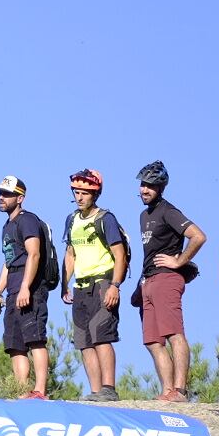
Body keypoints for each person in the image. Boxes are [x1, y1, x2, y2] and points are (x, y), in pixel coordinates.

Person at [135, 160, 206, 402]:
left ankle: (180, 391)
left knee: (174, 333)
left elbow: (198, 236)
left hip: (167, 278)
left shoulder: (168, 211)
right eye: (143, 184)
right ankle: (167, 391)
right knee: (152, 341)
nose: (145, 189)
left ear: (161, 188)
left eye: (151, 186)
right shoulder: (144, 215)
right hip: (149, 280)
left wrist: (179, 261)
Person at [59, 169, 128, 402]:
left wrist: (115, 285)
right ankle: (96, 391)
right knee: (84, 341)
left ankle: (109, 388)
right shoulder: (72, 220)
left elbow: (120, 254)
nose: (79, 197)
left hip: (102, 283)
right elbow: (70, 254)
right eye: (76, 192)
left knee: (101, 336)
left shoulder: (105, 219)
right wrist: (64, 285)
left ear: (95, 194)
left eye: (85, 193)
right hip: (80, 286)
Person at [0, 176, 50, 400]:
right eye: (0, 193)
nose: (1, 198)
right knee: (15, 344)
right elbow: (8, 261)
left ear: (20, 198)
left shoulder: (28, 220)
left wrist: (26, 287)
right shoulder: (7, 226)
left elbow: (34, 254)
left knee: (35, 338)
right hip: (12, 289)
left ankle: (40, 390)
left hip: (30, 289)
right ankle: (22, 392)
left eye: (7, 194)